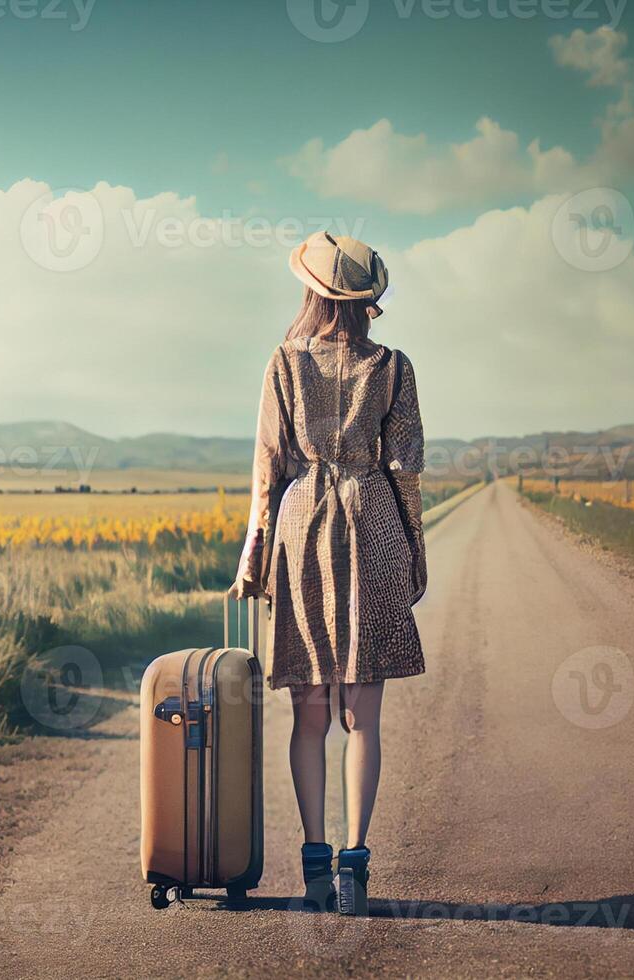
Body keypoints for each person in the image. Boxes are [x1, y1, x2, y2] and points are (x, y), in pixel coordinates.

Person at [234, 231, 427, 917]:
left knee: (310, 713)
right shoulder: (395, 367)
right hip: (372, 523)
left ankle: (315, 861)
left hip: (302, 529)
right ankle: (356, 867)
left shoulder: (284, 363)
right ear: (365, 298)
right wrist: (414, 553)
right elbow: (404, 472)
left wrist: (251, 557)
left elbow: (267, 468)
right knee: (362, 716)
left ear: (312, 291)